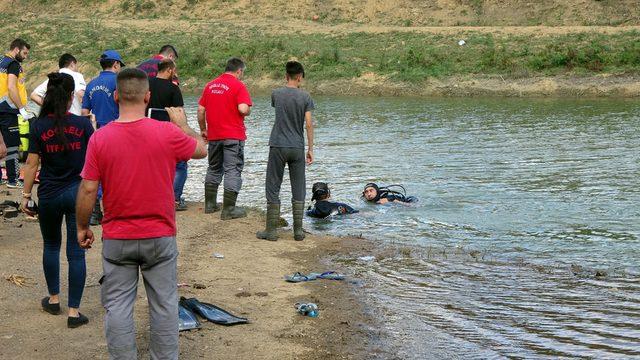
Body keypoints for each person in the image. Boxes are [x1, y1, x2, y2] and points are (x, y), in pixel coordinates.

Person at [76, 68, 206, 359]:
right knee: (163, 303)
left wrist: (82, 226)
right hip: (159, 236)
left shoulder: (100, 138)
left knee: (118, 305)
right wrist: (183, 125)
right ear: (148, 97)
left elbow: (87, 189)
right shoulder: (167, 133)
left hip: (117, 237)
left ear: (115, 96)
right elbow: (201, 149)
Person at [21, 72, 94, 328]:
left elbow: (31, 165)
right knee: (77, 253)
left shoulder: (38, 126)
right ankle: (74, 313)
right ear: (72, 96)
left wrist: (26, 196)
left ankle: (53, 299)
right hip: (77, 194)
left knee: (51, 246)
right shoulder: (84, 125)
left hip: (49, 194)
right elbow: (95, 164)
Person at [256, 61, 314, 241]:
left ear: (286, 76)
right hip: (297, 146)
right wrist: (310, 149)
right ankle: (298, 231)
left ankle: (271, 232)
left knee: (273, 185)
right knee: (299, 187)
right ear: (299, 76)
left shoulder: (276, 94)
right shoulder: (306, 97)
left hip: (278, 145)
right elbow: (309, 124)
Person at [198, 57, 252, 219]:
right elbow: (243, 109)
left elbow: (201, 110)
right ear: (239, 71)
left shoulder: (210, 85)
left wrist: (203, 130)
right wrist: (248, 110)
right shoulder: (238, 85)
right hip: (233, 136)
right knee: (232, 170)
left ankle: (210, 204)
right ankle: (229, 210)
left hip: (214, 135)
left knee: (214, 168)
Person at [81, 49, 124, 225]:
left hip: (97, 133)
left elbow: (84, 112)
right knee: (117, 172)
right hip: (117, 132)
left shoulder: (91, 84)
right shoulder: (119, 82)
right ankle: (115, 212)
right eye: (120, 65)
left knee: (97, 172)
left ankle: (95, 213)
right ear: (115, 64)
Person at [146, 59, 188, 211]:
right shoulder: (173, 88)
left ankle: (152, 196)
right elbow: (179, 113)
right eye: (174, 71)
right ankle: (174, 199)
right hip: (166, 131)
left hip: (146, 130)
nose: (175, 73)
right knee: (180, 164)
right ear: (169, 70)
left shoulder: (146, 84)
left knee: (151, 165)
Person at [0, 38, 31, 188]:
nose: (25, 57)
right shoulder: (13, 64)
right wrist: (21, 108)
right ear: (17, 49)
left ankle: (1, 177)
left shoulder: (1, 61)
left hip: (1, 107)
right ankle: (12, 179)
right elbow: (12, 87)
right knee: (12, 145)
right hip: (8, 109)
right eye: (24, 53)